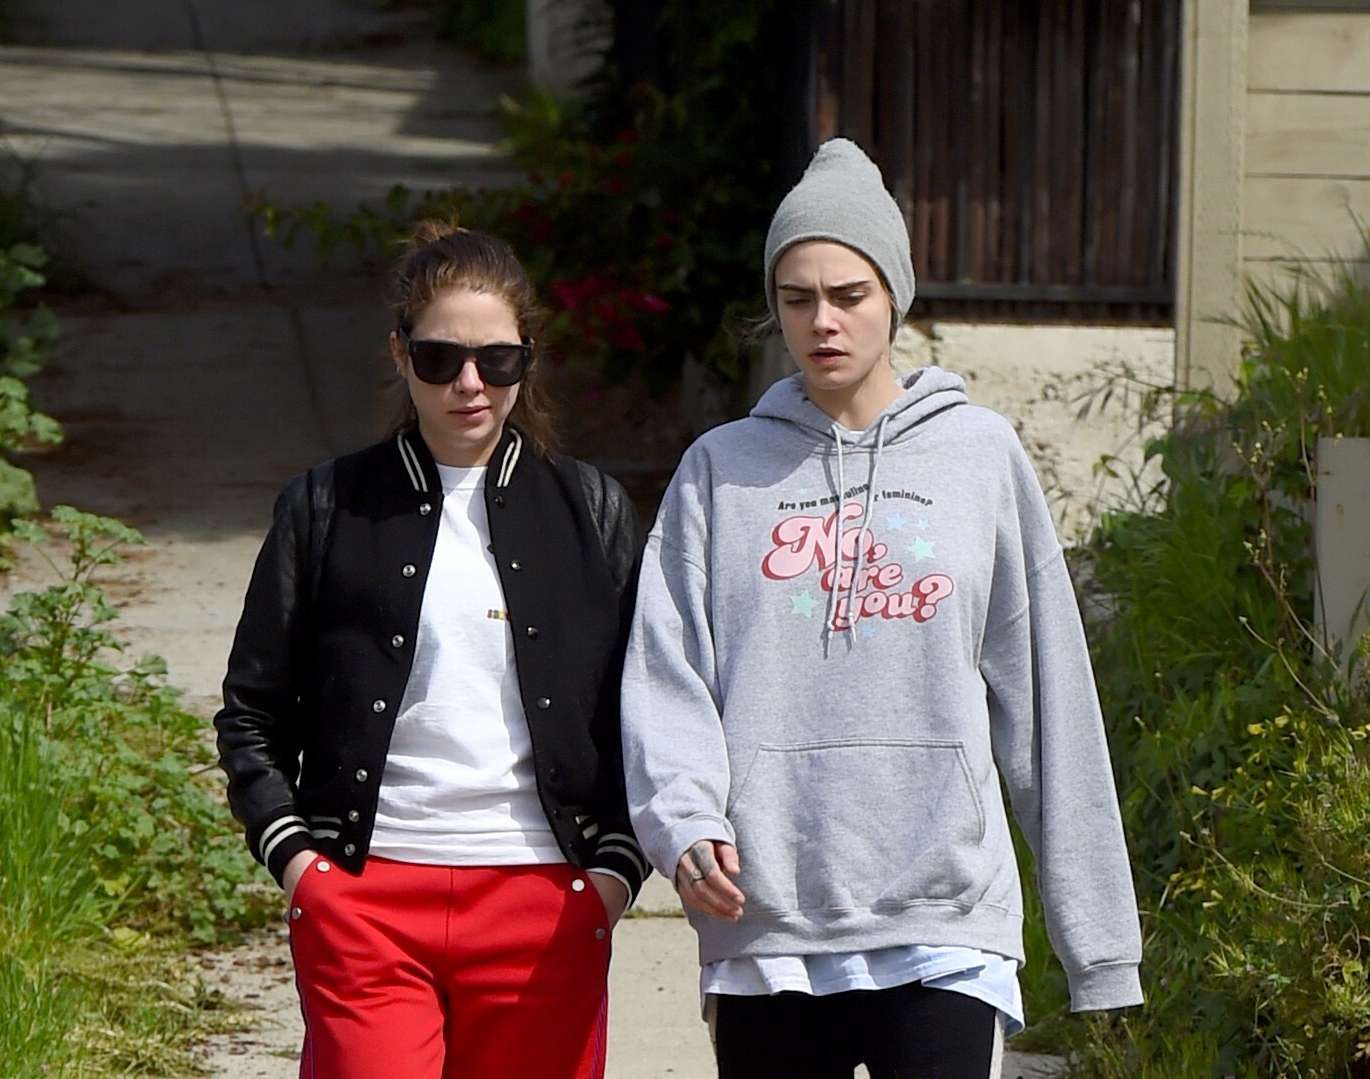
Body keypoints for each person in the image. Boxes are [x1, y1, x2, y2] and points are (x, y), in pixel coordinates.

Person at [620, 139, 1143, 1078]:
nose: (822, 321)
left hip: (945, 919)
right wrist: (686, 822)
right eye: (797, 298)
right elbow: (667, 674)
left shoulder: (979, 457)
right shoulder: (719, 470)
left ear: (894, 296)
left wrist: (1099, 946)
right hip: (768, 924)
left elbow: (1049, 698)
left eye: (848, 294)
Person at [214, 221, 649, 1079]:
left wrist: (615, 873)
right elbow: (251, 711)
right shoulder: (325, 504)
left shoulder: (593, 509)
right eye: (440, 358)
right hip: (364, 899)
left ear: (530, 355)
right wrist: (301, 866)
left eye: (498, 359)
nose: (470, 383)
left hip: (546, 902)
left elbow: (646, 709)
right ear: (400, 353)